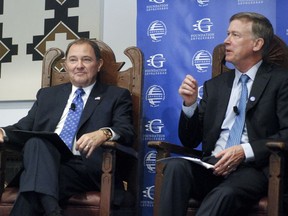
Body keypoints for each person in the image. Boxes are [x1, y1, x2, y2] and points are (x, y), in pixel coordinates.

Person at [158, 12, 288, 216]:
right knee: (176, 167)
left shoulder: (281, 81)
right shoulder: (215, 86)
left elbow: (286, 133)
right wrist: (190, 104)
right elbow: (190, 140)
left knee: (223, 193)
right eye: (227, 34)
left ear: (257, 44)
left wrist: (244, 151)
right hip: (212, 164)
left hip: (254, 169)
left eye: (235, 35)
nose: (226, 41)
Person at [0, 38, 135, 216]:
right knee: (35, 143)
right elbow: (23, 127)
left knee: (32, 186)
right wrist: (2, 132)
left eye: (86, 59)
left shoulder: (115, 96)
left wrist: (104, 133)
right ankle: (53, 210)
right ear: (66, 64)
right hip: (49, 163)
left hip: (86, 167)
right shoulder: (47, 95)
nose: (79, 65)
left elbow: (126, 130)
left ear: (99, 64)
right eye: (73, 60)